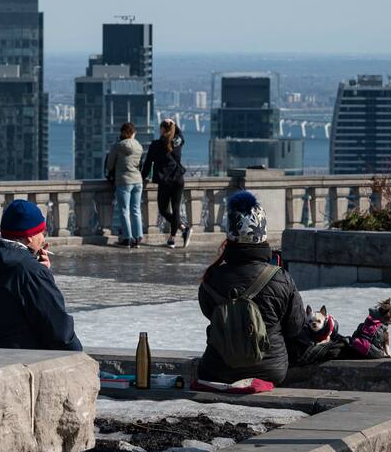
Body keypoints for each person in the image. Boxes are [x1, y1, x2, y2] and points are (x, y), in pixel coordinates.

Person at [197, 191, 303, 386]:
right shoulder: (281, 277)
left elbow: (209, 313)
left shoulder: (211, 277)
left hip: (217, 369)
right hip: (271, 370)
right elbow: (295, 327)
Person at [0, 199, 82, 351]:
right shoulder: (29, 270)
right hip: (20, 357)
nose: (44, 239)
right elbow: (59, 331)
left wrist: (40, 270)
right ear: (29, 237)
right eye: (42, 232)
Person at [144, 118, 190, 248]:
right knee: (175, 209)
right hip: (178, 179)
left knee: (163, 210)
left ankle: (176, 235)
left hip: (165, 181)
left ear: (162, 129)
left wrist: (142, 177)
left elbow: (148, 164)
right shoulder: (177, 142)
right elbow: (181, 135)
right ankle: (175, 235)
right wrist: (174, 124)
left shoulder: (156, 145)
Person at [105, 122, 145, 248]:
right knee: (136, 210)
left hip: (124, 181)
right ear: (133, 133)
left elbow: (109, 165)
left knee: (124, 210)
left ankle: (127, 238)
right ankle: (138, 237)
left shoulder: (117, 146)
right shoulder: (139, 146)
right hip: (138, 181)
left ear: (122, 133)